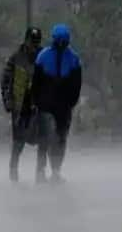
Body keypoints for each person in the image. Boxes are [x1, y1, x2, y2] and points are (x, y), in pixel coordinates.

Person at [31, 24, 82, 184]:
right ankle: (41, 170)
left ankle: (55, 170)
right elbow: (36, 83)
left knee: (60, 138)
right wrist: (36, 101)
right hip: (46, 105)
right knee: (46, 138)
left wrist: (71, 102)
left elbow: (76, 84)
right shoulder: (44, 57)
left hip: (62, 106)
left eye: (63, 40)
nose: (61, 43)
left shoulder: (73, 59)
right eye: (59, 40)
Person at [1, 27, 43, 183]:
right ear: (25, 40)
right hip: (20, 106)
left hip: (39, 106)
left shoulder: (44, 57)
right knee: (18, 141)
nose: (34, 45)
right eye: (32, 42)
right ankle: (13, 171)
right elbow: (5, 81)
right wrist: (7, 101)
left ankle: (41, 173)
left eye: (37, 42)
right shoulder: (15, 58)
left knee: (43, 140)